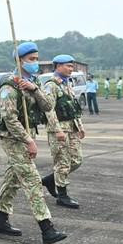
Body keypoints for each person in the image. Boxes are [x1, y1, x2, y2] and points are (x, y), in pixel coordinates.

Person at [0, 41, 67, 244]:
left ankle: (0, 219)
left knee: (13, 179)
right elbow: (9, 119)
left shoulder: (34, 82)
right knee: (32, 180)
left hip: (27, 134)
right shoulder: (9, 84)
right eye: (31, 59)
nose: (35, 63)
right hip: (13, 137)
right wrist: (28, 140)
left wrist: (34, 89)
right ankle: (47, 228)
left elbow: (48, 105)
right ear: (20, 60)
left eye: (36, 59)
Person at [41, 54, 86, 209]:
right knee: (62, 162)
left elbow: (73, 108)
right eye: (68, 66)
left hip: (71, 128)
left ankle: (50, 180)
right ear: (58, 66)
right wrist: (57, 129)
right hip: (59, 130)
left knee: (77, 160)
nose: (71, 69)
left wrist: (80, 126)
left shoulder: (67, 83)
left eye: (72, 66)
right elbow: (49, 110)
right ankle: (62, 196)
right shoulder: (51, 85)